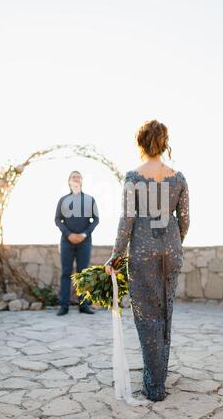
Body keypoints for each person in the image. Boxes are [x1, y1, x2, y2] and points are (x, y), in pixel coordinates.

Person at [105, 120, 190, 402]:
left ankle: (154, 386)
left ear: (140, 143)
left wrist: (116, 256)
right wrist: (174, 244)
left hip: (142, 252)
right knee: (165, 313)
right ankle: (158, 378)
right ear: (165, 143)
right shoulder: (179, 178)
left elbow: (126, 220)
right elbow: (185, 221)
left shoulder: (133, 177)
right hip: (171, 251)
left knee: (146, 318)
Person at [55, 170, 99, 316]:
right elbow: (57, 219)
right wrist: (69, 234)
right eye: (73, 176)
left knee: (83, 273)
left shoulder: (90, 199)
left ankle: (83, 305)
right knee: (66, 273)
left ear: (82, 180)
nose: (76, 178)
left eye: (78, 176)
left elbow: (96, 219)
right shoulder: (63, 200)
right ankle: (64, 306)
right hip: (66, 242)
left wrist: (84, 234)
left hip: (84, 242)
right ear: (69, 181)